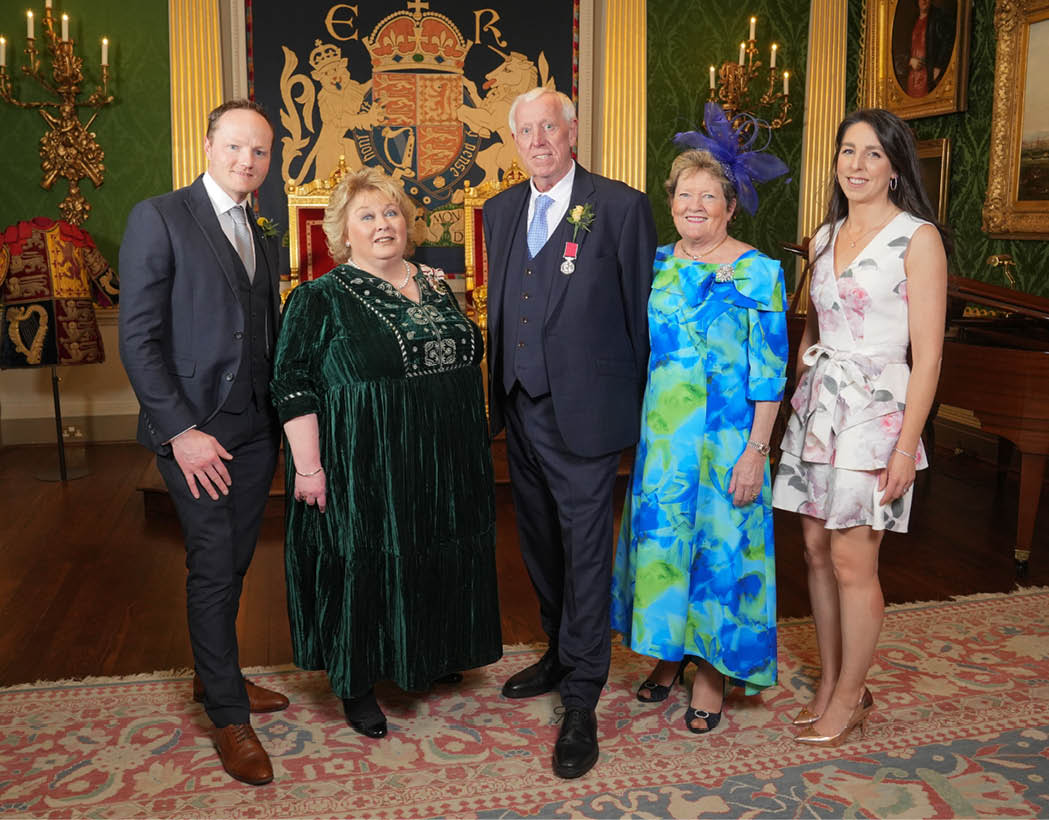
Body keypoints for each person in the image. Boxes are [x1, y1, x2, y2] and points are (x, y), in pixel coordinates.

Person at [270, 167, 501, 740]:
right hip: (365, 461)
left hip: (444, 457)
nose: (382, 224)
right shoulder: (317, 298)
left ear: (407, 222)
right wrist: (308, 466)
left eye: (391, 212)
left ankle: (428, 650)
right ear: (343, 231)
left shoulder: (437, 281)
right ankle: (357, 681)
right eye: (367, 215)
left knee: (434, 550)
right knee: (367, 558)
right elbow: (292, 383)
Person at [483, 87, 657, 779]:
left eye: (548, 127)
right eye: (525, 131)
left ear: (572, 130)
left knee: (586, 550)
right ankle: (558, 651)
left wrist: (641, 416)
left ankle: (582, 697)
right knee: (539, 540)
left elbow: (640, 316)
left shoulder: (617, 206)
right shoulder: (499, 211)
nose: (538, 140)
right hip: (518, 406)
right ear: (515, 140)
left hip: (587, 410)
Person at [119, 100, 287, 786]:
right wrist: (181, 433)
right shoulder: (158, 217)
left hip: (254, 430)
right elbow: (138, 339)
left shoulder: (259, 227)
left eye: (260, 153)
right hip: (196, 434)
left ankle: (214, 672)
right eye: (236, 148)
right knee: (214, 564)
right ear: (209, 145)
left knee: (236, 559)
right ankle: (226, 714)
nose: (248, 162)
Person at [772, 108, 948, 746]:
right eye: (848, 151)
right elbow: (815, 324)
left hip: (877, 413)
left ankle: (850, 698)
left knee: (852, 559)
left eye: (873, 153)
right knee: (815, 551)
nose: (857, 164)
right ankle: (829, 683)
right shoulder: (822, 237)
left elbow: (927, 355)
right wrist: (801, 387)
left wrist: (906, 447)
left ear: (896, 166)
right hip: (820, 407)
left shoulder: (916, 239)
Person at [611, 104, 789, 736]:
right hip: (663, 443)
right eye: (685, 194)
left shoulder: (760, 272)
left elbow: (770, 373)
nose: (694, 205)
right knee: (662, 553)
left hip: (727, 445)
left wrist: (756, 451)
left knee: (718, 555)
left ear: (730, 206)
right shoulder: (655, 265)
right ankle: (668, 655)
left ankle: (710, 673)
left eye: (708, 196)